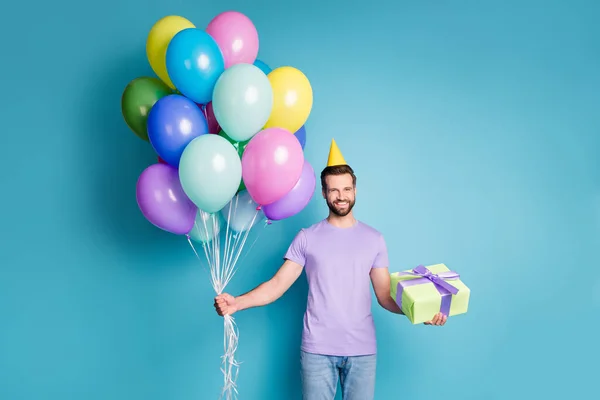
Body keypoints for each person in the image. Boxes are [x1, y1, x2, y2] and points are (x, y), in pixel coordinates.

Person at [214, 139, 447, 400]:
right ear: (324, 193)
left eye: (347, 189)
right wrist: (237, 303)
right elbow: (276, 285)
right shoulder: (306, 237)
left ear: (355, 190)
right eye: (334, 190)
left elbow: (384, 296)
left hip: (362, 350)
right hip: (317, 351)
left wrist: (421, 312)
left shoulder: (374, 239)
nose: (341, 196)